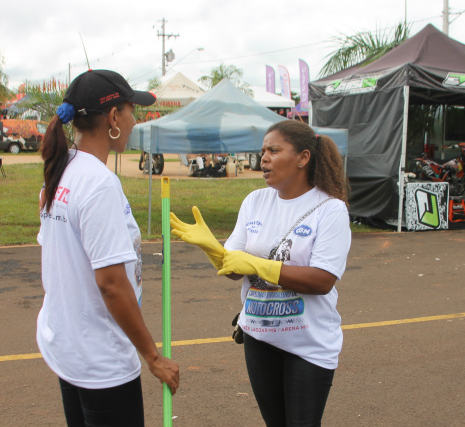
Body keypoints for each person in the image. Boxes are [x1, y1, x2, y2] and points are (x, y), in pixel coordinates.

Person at [171, 120, 351, 427]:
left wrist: (258, 265)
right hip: (259, 336)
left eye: (274, 150)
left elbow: (322, 280)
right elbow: (232, 269)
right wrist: (213, 248)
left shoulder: (330, 209)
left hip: (308, 343)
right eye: (262, 150)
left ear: (303, 157)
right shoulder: (254, 201)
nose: (263, 158)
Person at [37, 69, 179, 427]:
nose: (135, 120)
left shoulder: (63, 167)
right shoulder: (99, 183)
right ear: (114, 117)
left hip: (70, 347)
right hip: (101, 358)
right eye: (132, 110)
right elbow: (111, 283)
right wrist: (153, 356)